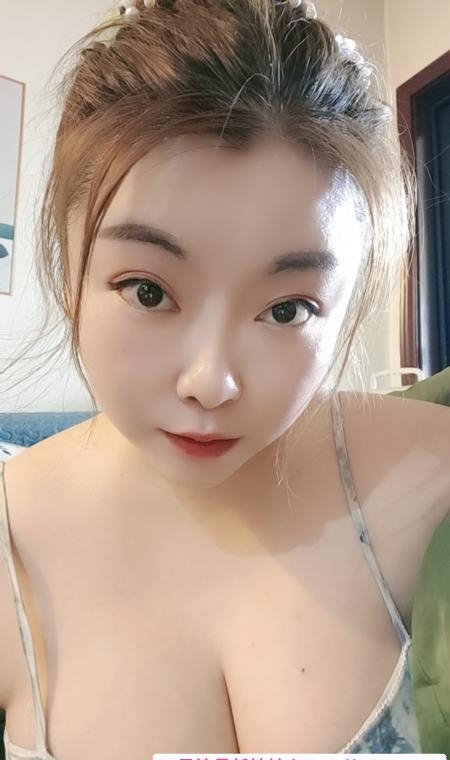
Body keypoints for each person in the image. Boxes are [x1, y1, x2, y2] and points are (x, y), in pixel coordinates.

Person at [0, 0, 449, 756]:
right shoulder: (12, 538)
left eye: (287, 310)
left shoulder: (424, 469)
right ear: (68, 266)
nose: (210, 384)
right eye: (148, 292)